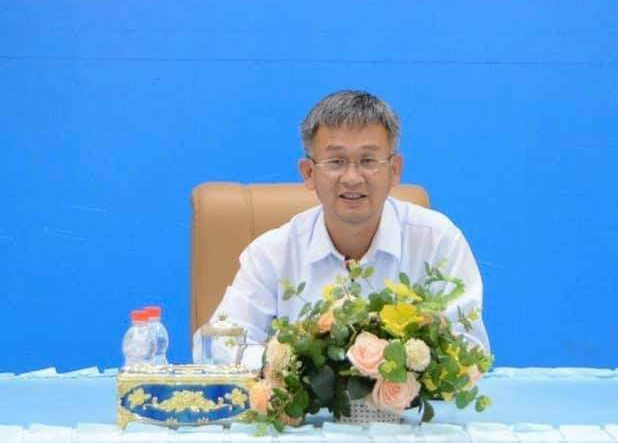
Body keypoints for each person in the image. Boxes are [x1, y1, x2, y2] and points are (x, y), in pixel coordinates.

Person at [193, 90, 489, 365]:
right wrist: (294, 365)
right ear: (309, 173)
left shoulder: (437, 241)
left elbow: (470, 350)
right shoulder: (272, 253)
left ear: (394, 170)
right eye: (336, 161)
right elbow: (215, 346)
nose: (352, 178)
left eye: (368, 160)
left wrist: (393, 367)